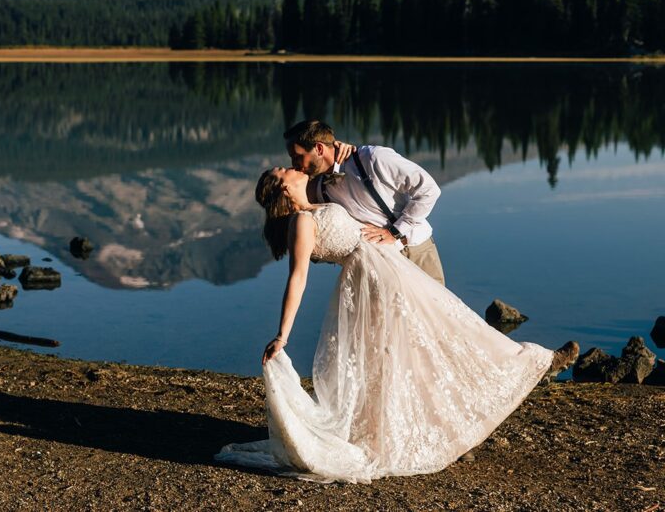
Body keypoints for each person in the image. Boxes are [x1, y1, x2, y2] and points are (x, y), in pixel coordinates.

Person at [215, 167, 579, 483]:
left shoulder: (314, 208)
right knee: (434, 339)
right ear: (282, 188)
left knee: (442, 332)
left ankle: (526, 366)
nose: (293, 168)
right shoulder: (302, 222)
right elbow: (298, 278)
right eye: (285, 171)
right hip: (375, 282)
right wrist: (283, 334)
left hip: (386, 271)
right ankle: (530, 363)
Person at [284, 120, 446, 285]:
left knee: (437, 310)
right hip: (379, 270)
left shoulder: (372, 158)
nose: (294, 164)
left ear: (319, 148)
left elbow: (429, 190)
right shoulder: (318, 188)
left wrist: (395, 231)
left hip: (416, 251)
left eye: (297, 156)